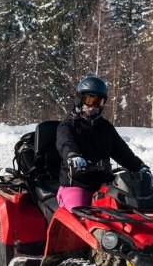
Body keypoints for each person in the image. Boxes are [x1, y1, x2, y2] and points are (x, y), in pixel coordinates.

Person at [55, 75, 147, 210]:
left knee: (128, 211)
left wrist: (140, 167)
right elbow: (65, 144)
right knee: (79, 216)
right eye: (89, 100)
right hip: (76, 184)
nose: (93, 106)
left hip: (104, 185)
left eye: (99, 102)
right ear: (80, 99)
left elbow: (122, 152)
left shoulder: (105, 127)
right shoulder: (68, 126)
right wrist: (72, 156)